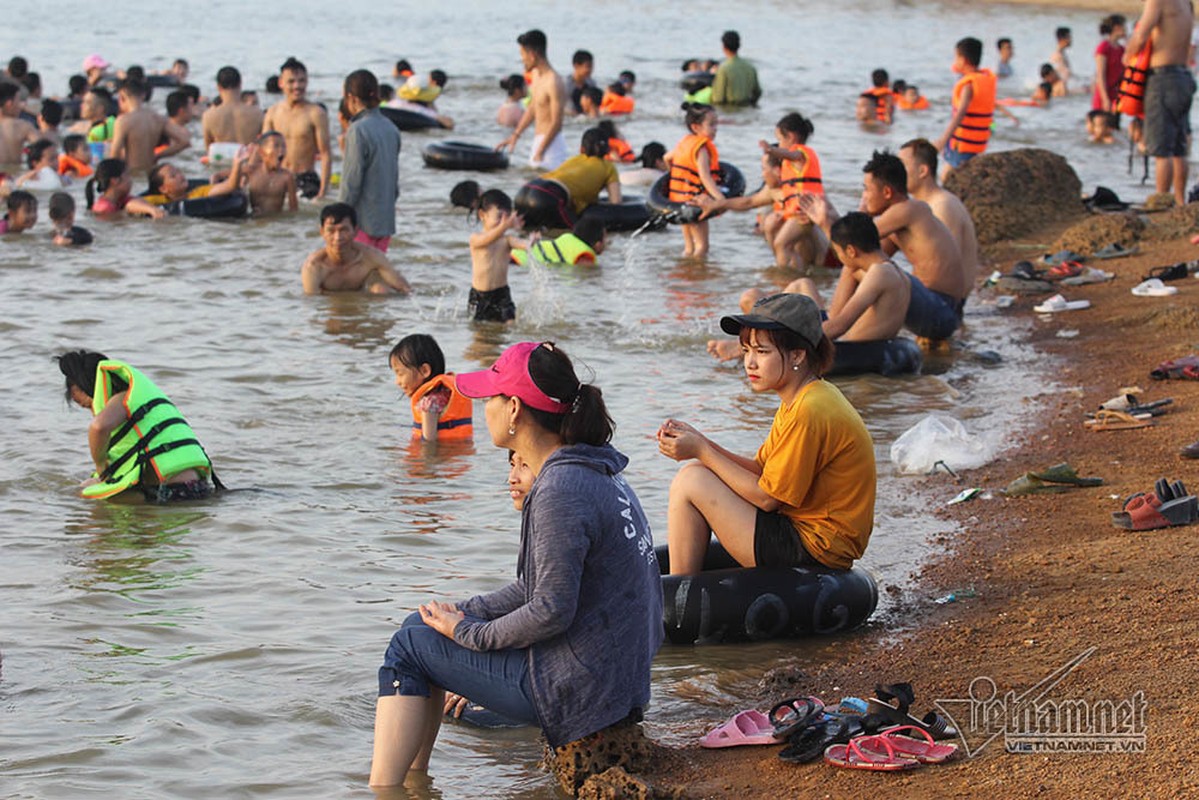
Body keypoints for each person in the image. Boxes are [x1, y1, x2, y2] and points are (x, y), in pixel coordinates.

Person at [369, 340, 662, 788]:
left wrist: (469, 632)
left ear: (514, 410)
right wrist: (465, 611)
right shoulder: (591, 468)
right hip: (615, 682)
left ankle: (386, 791)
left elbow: (550, 610)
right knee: (421, 624)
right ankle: (415, 786)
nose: (480, 407)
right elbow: (536, 589)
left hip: (582, 691)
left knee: (406, 649)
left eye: (488, 398)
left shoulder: (560, 487)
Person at [658, 293, 875, 574]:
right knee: (699, 470)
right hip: (804, 533)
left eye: (762, 352)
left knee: (692, 479)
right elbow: (761, 470)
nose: (749, 363)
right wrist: (700, 441)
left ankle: (678, 604)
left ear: (798, 354)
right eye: (747, 351)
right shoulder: (805, 397)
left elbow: (768, 499)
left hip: (817, 548)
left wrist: (702, 451)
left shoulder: (810, 410)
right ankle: (679, 590)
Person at [801, 150, 968, 344]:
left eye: (867, 190)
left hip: (942, 311)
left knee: (860, 269)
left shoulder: (906, 210)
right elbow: (861, 254)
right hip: (937, 308)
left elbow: (851, 244)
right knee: (857, 266)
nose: (864, 196)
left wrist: (825, 222)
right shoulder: (901, 221)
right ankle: (834, 324)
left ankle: (834, 325)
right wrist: (833, 218)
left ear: (887, 192)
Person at [54, 350, 221, 502]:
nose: (92, 411)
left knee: (84, 493)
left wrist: (101, 466)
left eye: (87, 405)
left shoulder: (122, 399)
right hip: (198, 488)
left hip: (169, 494)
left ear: (90, 388)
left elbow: (98, 427)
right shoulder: (140, 400)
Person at [1125, 0, 1196, 206]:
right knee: (1179, 147)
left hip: (1163, 78)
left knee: (1161, 149)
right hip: (1183, 76)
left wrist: (1127, 55)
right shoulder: (1186, 3)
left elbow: (1140, 36)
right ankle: (1180, 202)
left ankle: (1161, 204)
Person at [897, 138, 980, 295]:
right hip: (935, 293)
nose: (896, 173)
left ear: (922, 171)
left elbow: (943, 268)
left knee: (878, 278)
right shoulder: (926, 205)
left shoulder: (942, 206)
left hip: (944, 301)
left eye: (902, 166)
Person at [339, 69, 402, 253]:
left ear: (350, 98)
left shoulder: (357, 130)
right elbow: (394, 184)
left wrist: (338, 218)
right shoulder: (391, 128)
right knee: (376, 275)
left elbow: (351, 182)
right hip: (385, 222)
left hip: (362, 224)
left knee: (355, 278)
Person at [515, 128, 621, 231]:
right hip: (549, 195)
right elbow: (616, 203)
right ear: (607, 149)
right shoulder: (609, 167)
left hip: (525, 191)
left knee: (528, 235)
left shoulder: (574, 159)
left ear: (582, 149)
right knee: (580, 235)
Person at [301, 203, 410, 294]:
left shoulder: (372, 257)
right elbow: (312, 306)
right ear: (322, 232)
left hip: (366, 299)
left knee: (380, 290)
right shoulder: (314, 266)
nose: (338, 237)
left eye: (344, 230)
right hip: (332, 309)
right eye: (331, 231)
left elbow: (405, 289)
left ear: (356, 231)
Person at [261, 57, 332, 200]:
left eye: (302, 81)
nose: (297, 86)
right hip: (278, 175)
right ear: (281, 83)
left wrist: (323, 192)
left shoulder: (316, 113)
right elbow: (263, 152)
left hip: (305, 178)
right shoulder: (273, 112)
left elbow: (325, 154)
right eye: (291, 81)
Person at [497, 30, 569, 170]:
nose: (522, 60)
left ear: (532, 55)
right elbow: (532, 108)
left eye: (522, 55)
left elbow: (557, 122)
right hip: (538, 142)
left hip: (552, 146)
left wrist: (541, 150)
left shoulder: (554, 81)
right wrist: (516, 135)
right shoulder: (536, 75)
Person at [932, 37, 998, 175]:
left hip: (961, 144)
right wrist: (991, 130)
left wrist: (942, 140)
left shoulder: (968, 85)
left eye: (956, 57)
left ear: (963, 60)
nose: (955, 61)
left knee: (948, 176)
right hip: (978, 144)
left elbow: (960, 114)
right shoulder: (986, 80)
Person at [389, 334, 472, 442]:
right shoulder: (445, 393)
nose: (397, 382)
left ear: (424, 371)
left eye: (400, 374)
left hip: (443, 455)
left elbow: (428, 442)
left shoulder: (429, 403)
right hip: (460, 454)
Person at [666, 104, 721, 258]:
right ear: (696, 127)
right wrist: (720, 199)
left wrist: (675, 175)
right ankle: (698, 276)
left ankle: (687, 272)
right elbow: (705, 177)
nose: (716, 128)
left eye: (717, 123)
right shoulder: (701, 149)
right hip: (696, 202)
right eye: (711, 124)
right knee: (702, 246)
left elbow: (667, 158)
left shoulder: (685, 143)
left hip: (680, 201)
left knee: (689, 246)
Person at [468, 189, 525, 322]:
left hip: (502, 295)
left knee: (511, 324)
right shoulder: (476, 238)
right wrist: (505, 226)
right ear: (482, 215)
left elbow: (523, 245)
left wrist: (531, 241)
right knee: (481, 334)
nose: (502, 222)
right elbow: (489, 239)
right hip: (480, 296)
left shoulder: (507, 239)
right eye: (499, 217)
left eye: (506, 217)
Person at [111, 78, 188, 172]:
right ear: (143, 95)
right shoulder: (157, 118)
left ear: (121, 98)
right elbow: (184, 141)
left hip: (133, 173)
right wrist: (158, 155)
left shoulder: (123, 121)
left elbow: (114, 153)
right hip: (151, 172)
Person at [202, 66, 264, 151]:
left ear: (218, 87)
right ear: (240, 84)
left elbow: (209, 150)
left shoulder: (208, 116)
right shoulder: (257, 113)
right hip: (249, 161)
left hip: (222, 163)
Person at [85, 158, 164, 218]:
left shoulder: (119, 200)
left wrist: (152, 210)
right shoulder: (104, 208)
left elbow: (132, 203)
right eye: (128, 175)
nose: (131, 180)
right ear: (115, 181)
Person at [142, 160, 246, 205]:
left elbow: (229, 186)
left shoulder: (198, 193)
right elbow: (129, 204)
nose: (180, 176)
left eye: (178, 172)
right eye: (173, 176)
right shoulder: (156, 201)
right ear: (163, 189)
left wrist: (237, 164)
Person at [511, 216, 605, 266]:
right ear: (598, 244)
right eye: (605, 238)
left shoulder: (567, 238)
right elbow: (587, 276)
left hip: (515, 253)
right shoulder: (584, 255)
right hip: (520, 262)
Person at [243, 133, 297, 214]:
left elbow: (294, 210)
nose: (281, 150)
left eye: (283, 146)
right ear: (261, 152)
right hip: (253, 220)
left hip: (276, 222)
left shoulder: (287, 177)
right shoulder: (251, 171)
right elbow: (223, 177)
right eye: (276, 146)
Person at [711, 30, 761, 106]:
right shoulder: (750, 67)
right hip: (746, 109)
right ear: (739, 45)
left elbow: (718, 99)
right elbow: (758, 93)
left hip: (730, 111)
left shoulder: (723, 69)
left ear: (724, 47)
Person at [1094, 15, 1127, 122]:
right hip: (1104, 94)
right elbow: (1100, 75)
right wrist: (1105, 99)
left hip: (1116, 96)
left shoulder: (1122, 49)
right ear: (1116, 28)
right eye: (1124, 26)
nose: (1126, 29)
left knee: (1115, 128)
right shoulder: (1104, 47)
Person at [0, 82, 38, 166]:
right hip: (15, 175)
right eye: (19, 101)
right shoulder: (23, 126)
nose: (21, 105)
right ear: (9, 104)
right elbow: (43, 149)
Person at [568, 49, 597, 115]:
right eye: (587, 67)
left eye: (592, 67)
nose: (590, 70)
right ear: (576, 66)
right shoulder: (566, 85)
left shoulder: (591, 84)